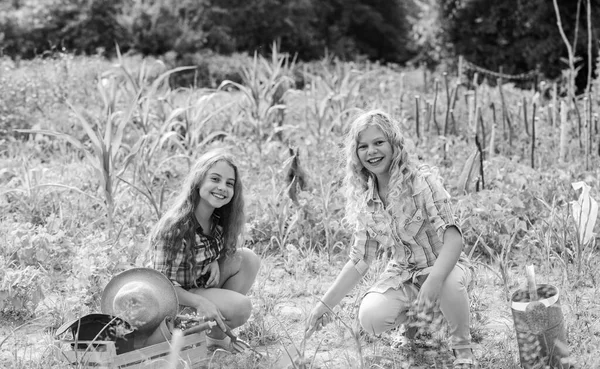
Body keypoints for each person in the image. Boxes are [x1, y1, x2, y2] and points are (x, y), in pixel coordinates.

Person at [305, 110, 477, 368]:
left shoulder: (422, 182)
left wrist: (434, 280)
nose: (371, 151)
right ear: (356, 154)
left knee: (448, 285)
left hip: (445, 267)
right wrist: (323, 306)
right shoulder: (366, 199)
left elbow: (454, 240)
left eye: (378, 142)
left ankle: (462, 347)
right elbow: (359, 261)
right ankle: (415, 324)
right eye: (363, 146)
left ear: (394, 144)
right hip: (404, 272)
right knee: (371, 317)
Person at [150, 148, 261, 353]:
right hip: (174, 305)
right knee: (241, 307)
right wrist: (200, 302)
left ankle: (215, 339)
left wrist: (214, 260)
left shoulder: (218, 220)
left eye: (229, 183)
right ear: (199, 180)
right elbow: (161, 287)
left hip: (196, 288)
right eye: (215, 179)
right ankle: (197, 334)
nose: (222, 187)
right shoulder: (176, 228)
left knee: (248, 259)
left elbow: (212, 249)